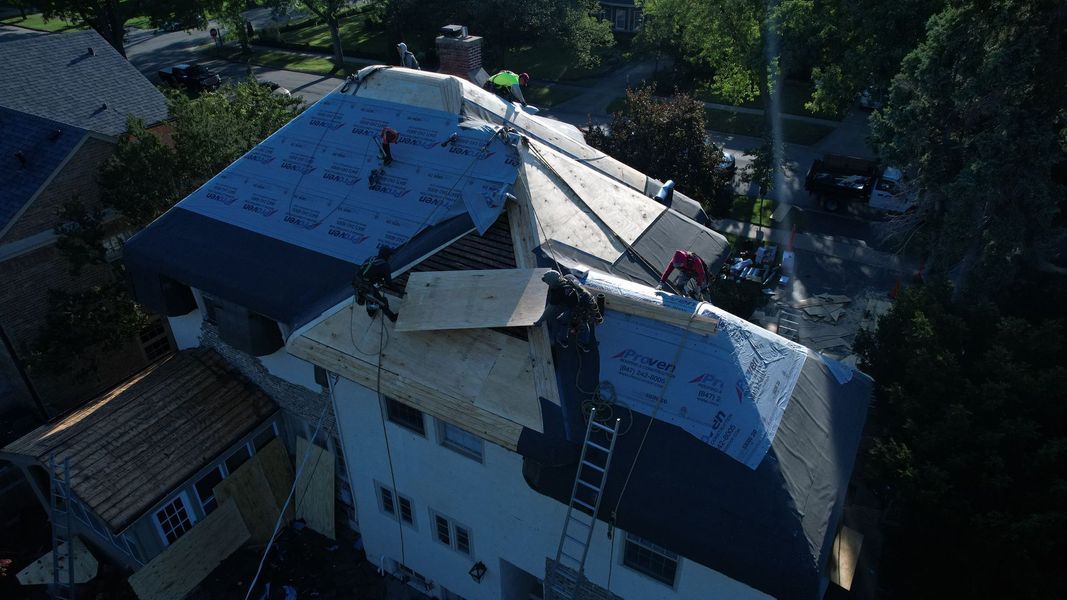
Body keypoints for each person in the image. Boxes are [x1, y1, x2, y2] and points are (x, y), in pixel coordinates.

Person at [542, 270, 603, 352]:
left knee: (566, 321)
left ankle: (564, 339)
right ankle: (583, 343)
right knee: (582, 323)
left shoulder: (561, 290)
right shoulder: (570, 279)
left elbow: (552, 307)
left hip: (579, 305)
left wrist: (540, 320)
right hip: (586, 301)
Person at [354, 246, 398, 322]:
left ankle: (371, 311)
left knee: (370, 297)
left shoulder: (371, 258)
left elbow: (364, 271)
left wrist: (377, 278)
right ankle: (392, 317)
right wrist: (399, 290)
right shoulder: (385, 266)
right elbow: (389, 283)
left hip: (357, 283)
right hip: (366, 287)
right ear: (386, 255)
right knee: (383, 302)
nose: (391, 257)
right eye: (390, 255)